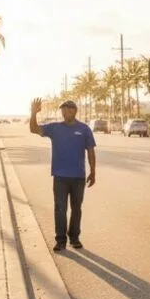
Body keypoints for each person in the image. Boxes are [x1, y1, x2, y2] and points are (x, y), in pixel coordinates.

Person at [30, 98, 96, 250]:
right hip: (60, 177)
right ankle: (60, 240)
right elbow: (34, 129)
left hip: (78, 176)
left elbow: (91, 151)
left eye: (66, 109)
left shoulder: (84, 129)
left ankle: (74, 238)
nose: (63, 112)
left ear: (73, 111)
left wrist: (93, 172)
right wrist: (33, 113)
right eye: (62, 110)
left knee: (76, 208)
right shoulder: (55, 128)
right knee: (60, 209)